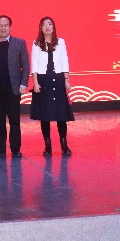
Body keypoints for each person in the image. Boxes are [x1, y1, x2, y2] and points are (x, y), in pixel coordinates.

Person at [0, 15, 30, 158]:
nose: (3, 28)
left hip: (14, 88)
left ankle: (15, 149)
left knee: (14, 119)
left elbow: (25, 66)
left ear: (10, 27)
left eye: (5, 25)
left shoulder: (19, 43)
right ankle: (0, 149)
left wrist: (23, 83)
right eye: (0, 25)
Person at [30, 16, 75, 156]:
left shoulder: (61, 42)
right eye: (44, 25)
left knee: (61, 114)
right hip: (43, 79)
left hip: (58, 78)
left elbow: (65, 60)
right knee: (45, 114)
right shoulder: (36, 43)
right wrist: (35, 82)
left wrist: (66, 79)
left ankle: (64, 144)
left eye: (49, 24)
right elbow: (34, 63)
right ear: (41, 28)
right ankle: (47, 145)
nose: (47, 27)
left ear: (53, 26)